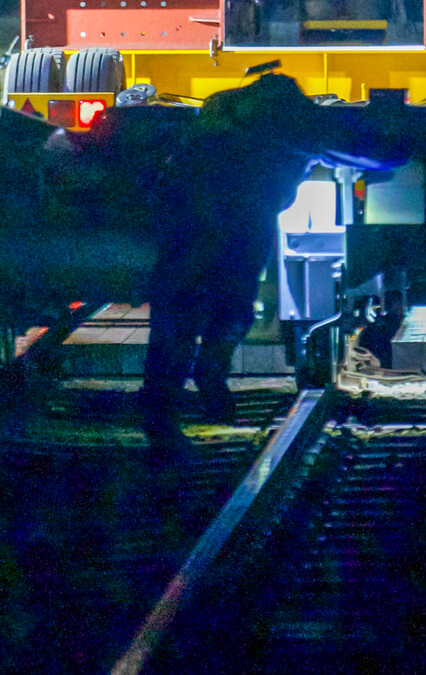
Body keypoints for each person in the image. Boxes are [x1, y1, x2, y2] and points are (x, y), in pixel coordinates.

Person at [139, 72, 326, 452]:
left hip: (187, 230)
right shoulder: (288, 125)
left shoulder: (215, 118)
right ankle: (209, 383)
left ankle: (163, 415)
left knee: (177, 320)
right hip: (241, 231)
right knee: (231, 313)